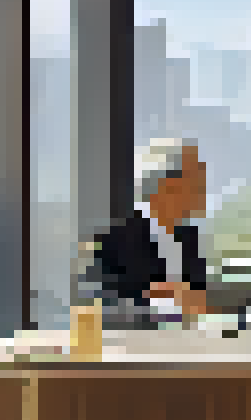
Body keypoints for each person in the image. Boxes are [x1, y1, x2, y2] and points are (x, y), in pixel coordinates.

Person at [80, 139, 212, 324]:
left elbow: (199, 302)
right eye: (197, 182)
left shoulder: (190, 238)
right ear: (169, 187)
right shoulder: (112, 242)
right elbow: (97, 307)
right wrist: (161, 298)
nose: (204, 190)